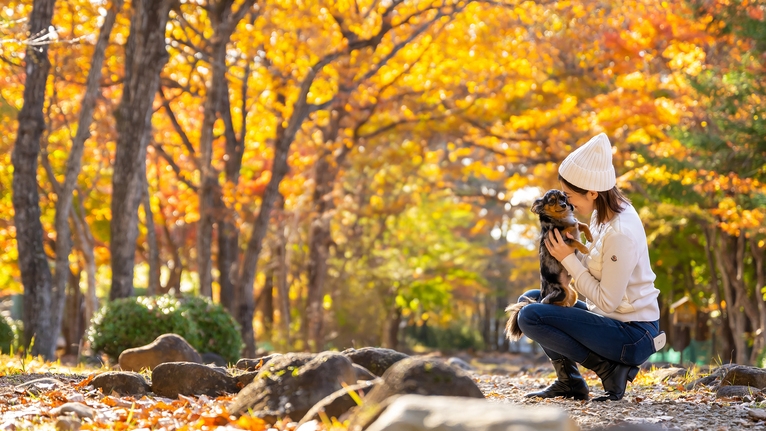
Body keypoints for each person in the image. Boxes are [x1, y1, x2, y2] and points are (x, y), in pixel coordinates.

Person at [516, 132, 664, 402]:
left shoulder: (621, 231)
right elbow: (595, 269)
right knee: (530, 301)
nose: (566, 203)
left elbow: (607, 301)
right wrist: (567, 251)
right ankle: (570, 382)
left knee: (529, 317)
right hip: (611, 323)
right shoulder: (600, 216)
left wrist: (568, 259)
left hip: (632, 333)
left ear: (593, 192)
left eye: (569, 196)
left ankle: (609, 369)